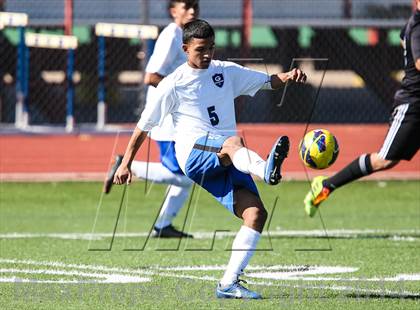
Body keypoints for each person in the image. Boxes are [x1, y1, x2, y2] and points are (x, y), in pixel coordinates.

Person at [113, 19, 306, 299]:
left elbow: (267, 82)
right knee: (233, 143)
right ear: (185, 48)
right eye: (200, 49)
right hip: (194, 154)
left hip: (230, 157)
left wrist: (287, 77)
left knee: (255, 214)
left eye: (211, 48)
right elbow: (144, 125)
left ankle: (228, 283)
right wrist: (125, 162)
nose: (207, 54)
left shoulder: (225, 71)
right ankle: (266, 171)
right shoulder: (172, 84)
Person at [303, 1, 420, 217]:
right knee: (384, 160)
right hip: (413, 106)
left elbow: (404, 38)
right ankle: (327, 185)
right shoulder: (418, 25)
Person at [103, 0, 199, 238]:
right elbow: (151, 76)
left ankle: (164, 225)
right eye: (187, 6)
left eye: (195, 6)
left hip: (178, 117)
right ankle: (127, 164)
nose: (193, 11)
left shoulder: (185, 35)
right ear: (173, 11)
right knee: (184, 176)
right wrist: (180, 93)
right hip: (165, 117)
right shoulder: (171, 36)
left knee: (188, 173)